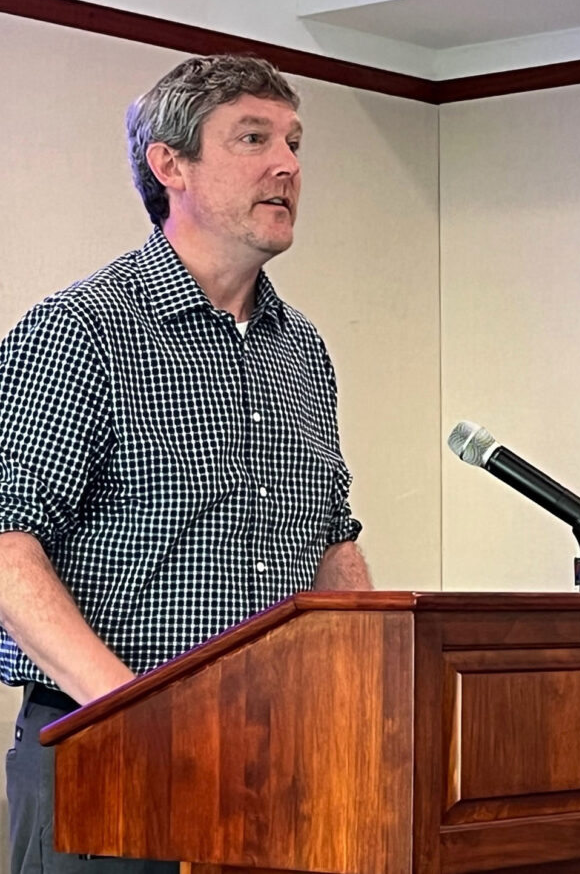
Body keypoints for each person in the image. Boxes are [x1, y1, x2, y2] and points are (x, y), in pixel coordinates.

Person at [0, 54, 371, 874]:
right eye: (253, 138)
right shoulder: (82, 331)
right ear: (170, 164)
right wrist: (142, 713)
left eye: (295, 143)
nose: (288, 165)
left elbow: (332, 543)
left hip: (280, 760)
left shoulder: (301, 349)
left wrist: (366, 691)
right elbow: (6, 547)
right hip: (112, 756)